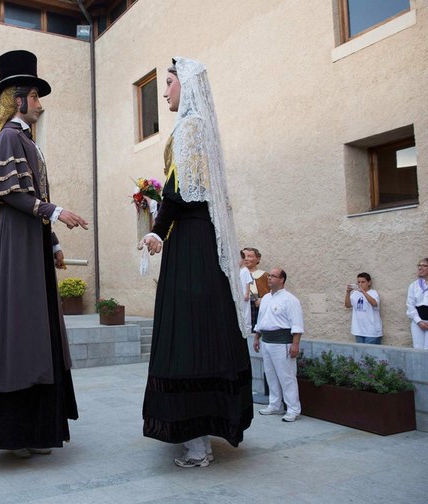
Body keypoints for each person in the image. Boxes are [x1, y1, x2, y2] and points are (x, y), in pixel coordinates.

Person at [0, 50, 87, 457]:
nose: (40, 103)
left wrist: (51, 242)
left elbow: (35, 196)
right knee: (22, 332)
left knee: (39, 331)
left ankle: (38, 430)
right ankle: (17, 432)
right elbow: (13, 194)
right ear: (17, 100)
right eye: (35, 95)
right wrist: (56, 213)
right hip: (16, 248)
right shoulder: (8, 138)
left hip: (31, 244)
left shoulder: (27, 141)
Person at [140, 57, 253, 468]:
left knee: (186, 335)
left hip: (189, 243)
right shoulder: (198, 127)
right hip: (199, 240)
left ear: (185, 86)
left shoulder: (190, 127)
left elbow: (178, 191)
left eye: (168, 83)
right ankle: (202, 429)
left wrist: (157, 229)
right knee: (204, 332)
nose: (165, 91)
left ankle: (196, 442)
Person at [253, 268, 304, 423]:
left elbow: (297, 324)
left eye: (273, 276)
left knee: (286, 377)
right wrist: (257, 338)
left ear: (282, 279)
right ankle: (275, 405)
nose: (269, 278)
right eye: (269, 275)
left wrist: (295, 344)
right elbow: (261, 321)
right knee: (271, 376)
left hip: (282, 343)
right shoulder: (266, 298)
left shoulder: (290, 300)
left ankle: (293, 409)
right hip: (267, 342)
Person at [345, 273, 383, 344]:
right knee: (360, 354)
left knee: (370, 354)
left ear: (369, 283)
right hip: (358, 330)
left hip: (371, 332)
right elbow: (347, 305)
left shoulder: (373, 293)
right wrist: (348, 293)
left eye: (363, 282)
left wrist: (362, 291)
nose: (360, 284)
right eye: (358, 282)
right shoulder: (355, 293)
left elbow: (374, 303)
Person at [242, 247, 269, 331]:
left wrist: (263, 300)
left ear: (257, 259)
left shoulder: (264, 275)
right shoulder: (238, 274)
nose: (246, 259)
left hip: (255, 306)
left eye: (249, 256)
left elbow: (271, 294)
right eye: (244, 257)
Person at [406, 258, 428, 350]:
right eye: (419, 265)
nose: (420, 268)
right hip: (418, 322)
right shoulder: (414, 285)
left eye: (424, 266)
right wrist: (419, 321)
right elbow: (410, 305)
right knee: (418, 349)